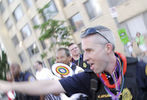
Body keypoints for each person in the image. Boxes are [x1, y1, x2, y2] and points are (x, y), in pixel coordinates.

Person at [0, 25, 147, 100]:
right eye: (84, 51)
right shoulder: (89, 78)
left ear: (108, 48)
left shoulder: (140, 70)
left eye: (89, 50)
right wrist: (11, 85)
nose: (85, 56)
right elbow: (50, 85)